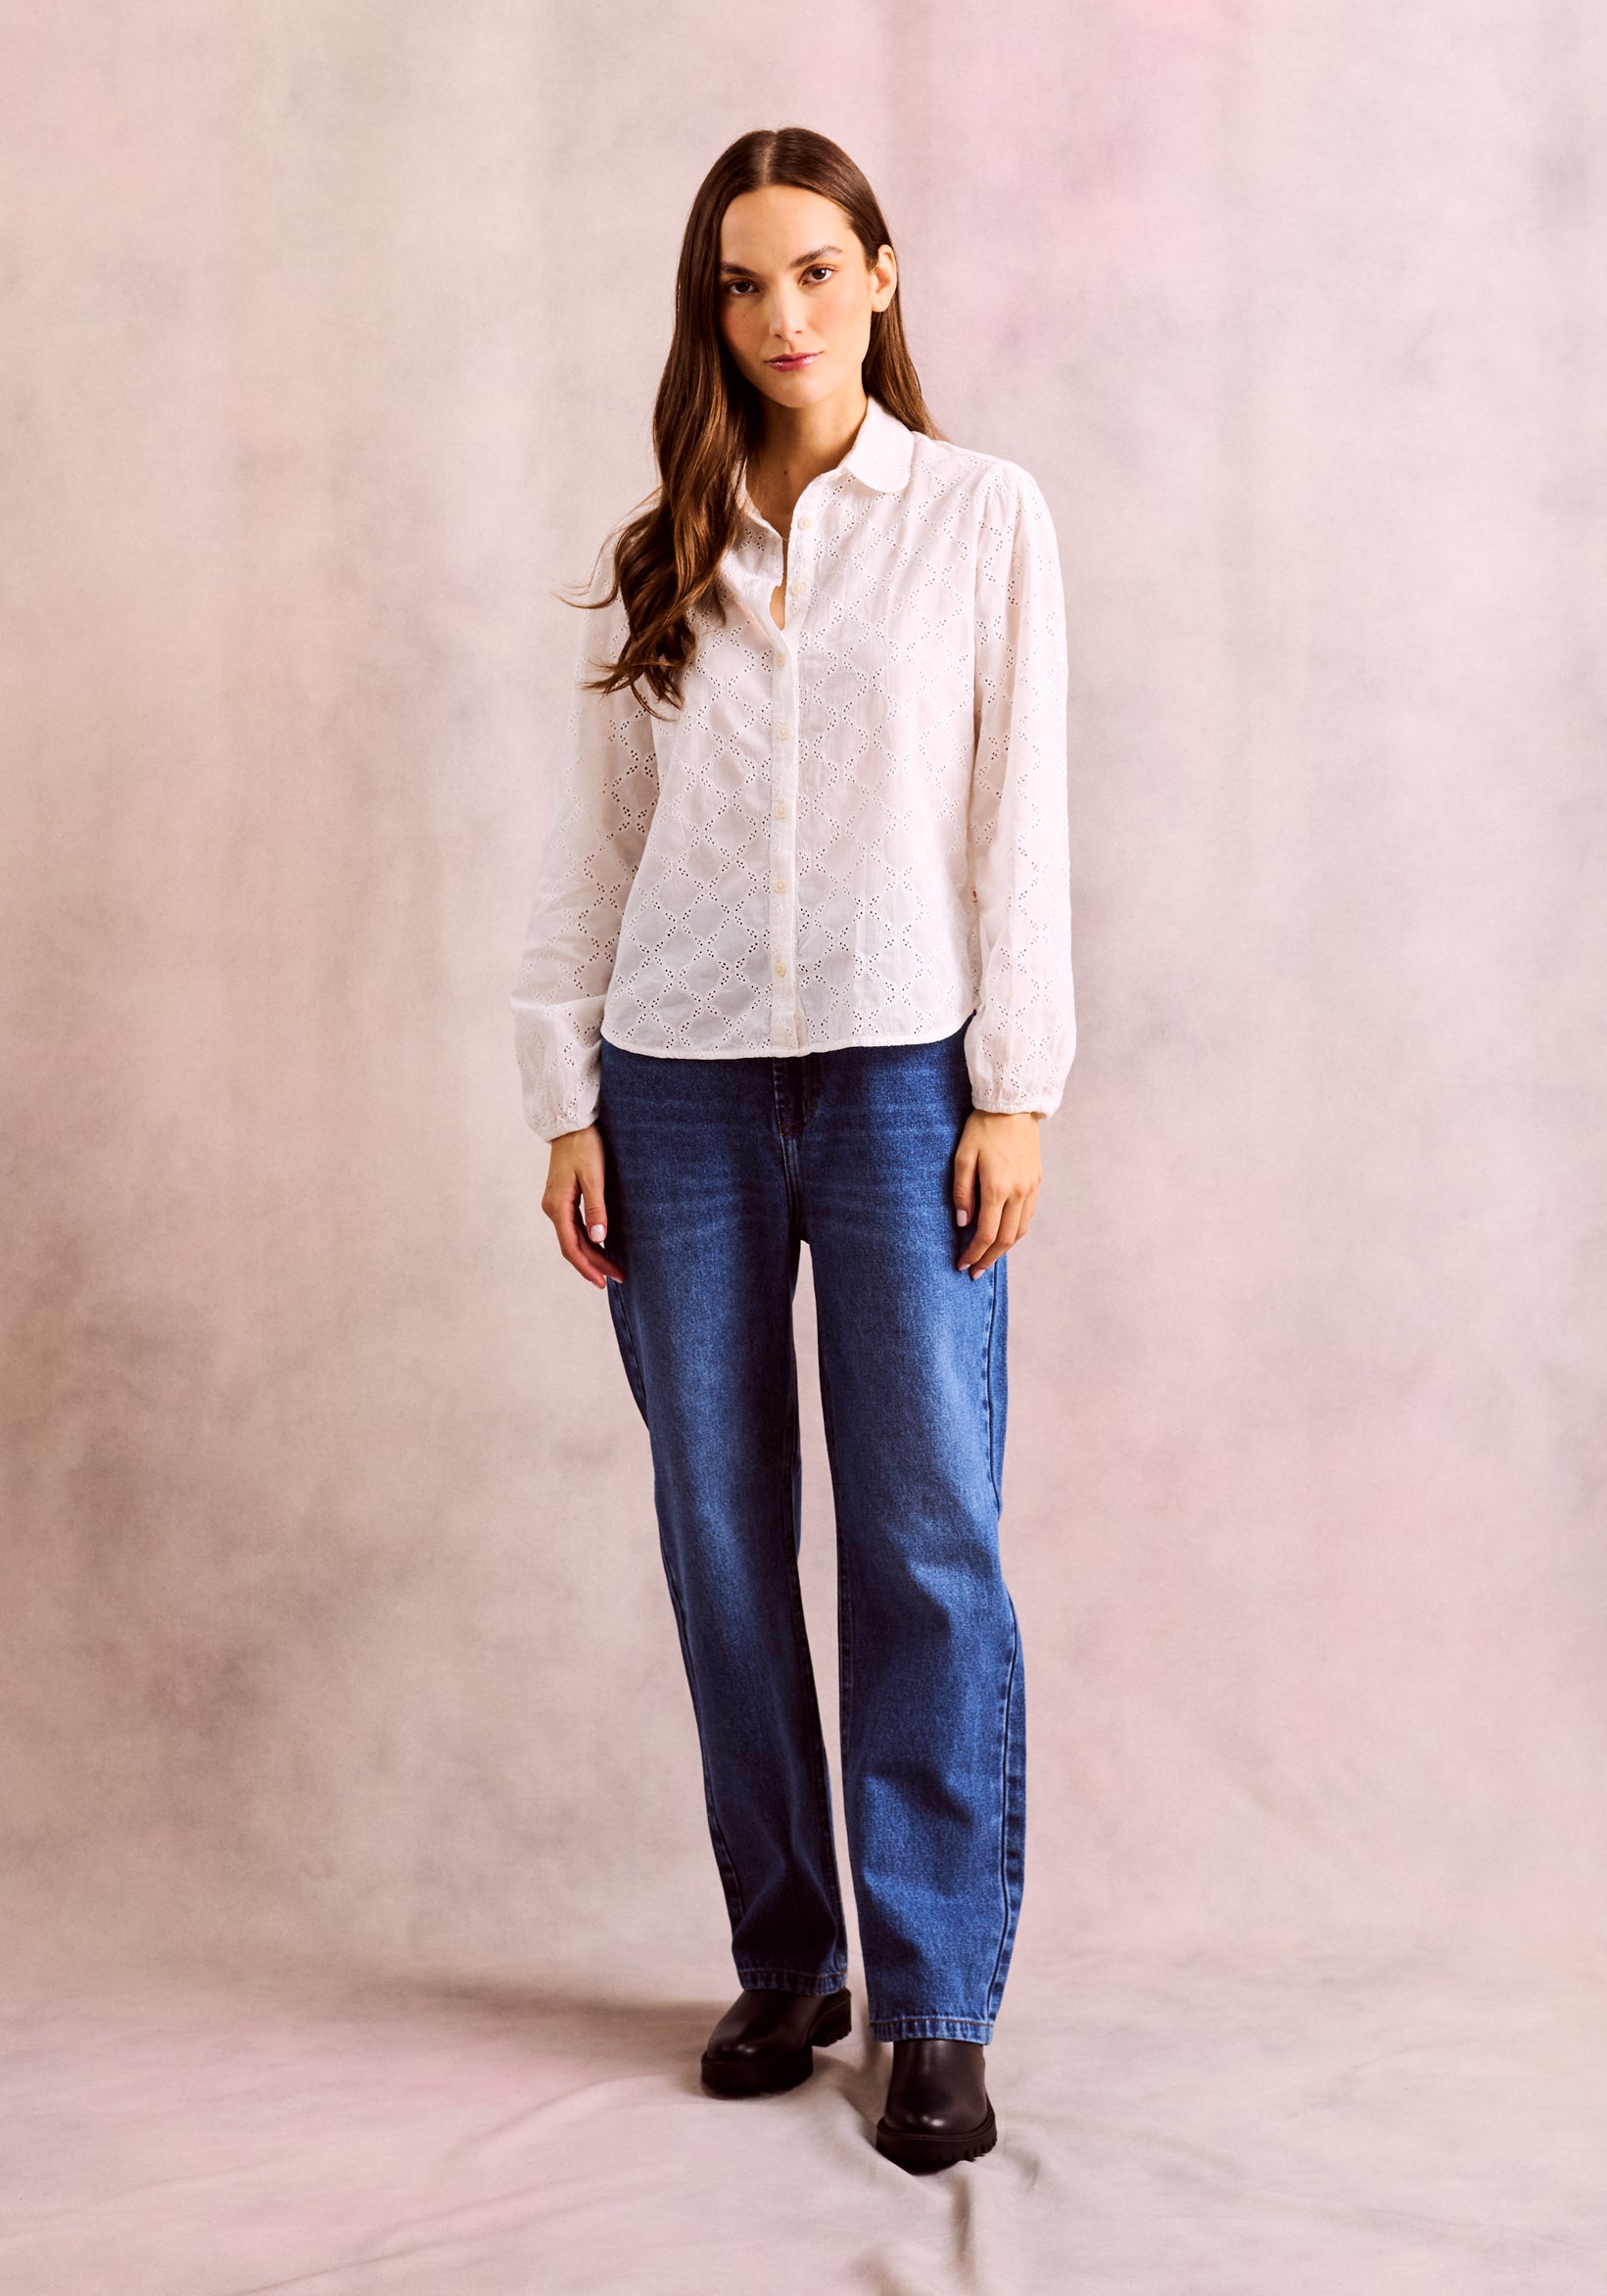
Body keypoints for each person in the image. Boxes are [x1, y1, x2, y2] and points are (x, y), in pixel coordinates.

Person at [510, 124, 1074, 2176]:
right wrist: (563, 1093)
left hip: (903, 1072)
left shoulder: (976, 516)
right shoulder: (661, 542)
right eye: (742, 283)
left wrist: (1014, 1082)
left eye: (815, 271)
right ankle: (784, 1955)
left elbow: (1018, 812)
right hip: (672, 1084)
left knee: (922, 1528)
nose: (780, 315)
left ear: (879, 276)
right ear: (710, 307)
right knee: (721, 1529)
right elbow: (596, 848)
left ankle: (934, 2000)